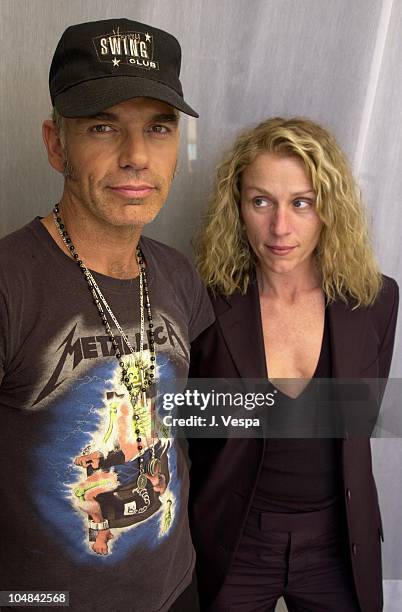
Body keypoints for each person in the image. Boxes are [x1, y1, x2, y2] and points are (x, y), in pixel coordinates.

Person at [0, 18, 214, 612]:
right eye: (102, 126)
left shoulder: (179, 275)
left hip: (176, 590)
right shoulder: (10, 284)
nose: (137, 155)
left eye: (158, 127)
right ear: (54, 143)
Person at [188, 117, 399, 612]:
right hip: (232, 543)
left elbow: (360, 423)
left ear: (329, 208)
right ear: (237, 208)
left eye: (301, 202)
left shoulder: (376, 300)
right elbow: (186, 438)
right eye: (261, 201)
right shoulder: (201, 302)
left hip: (338, 544)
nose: (280, 228)